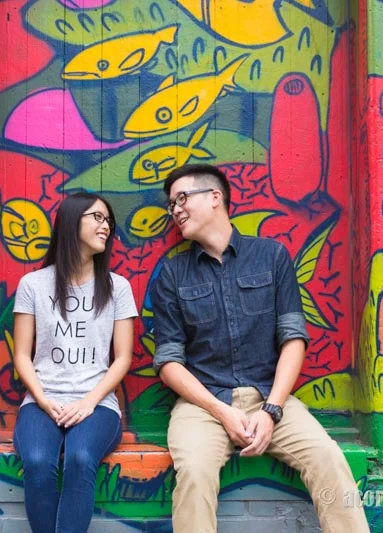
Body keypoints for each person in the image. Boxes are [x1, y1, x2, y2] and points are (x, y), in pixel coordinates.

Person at [151, 164, 370, 532]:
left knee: (328, 458)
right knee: (194, 472)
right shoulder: (174, 273)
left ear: (215, 197)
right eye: (171, 204)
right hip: (203, 405)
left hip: (270, 396)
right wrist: (221, 411)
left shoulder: (271, 256)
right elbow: (169, 361)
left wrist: (271, 410)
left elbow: (293, 338)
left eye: (182, 198)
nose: (176, 210)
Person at [12, 192, 138, 533]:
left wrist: (89, 402)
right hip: (43, 400)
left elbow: (123, 357)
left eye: (108, 220)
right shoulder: (33, 285)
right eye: (97, 217)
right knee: (38, 461)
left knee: (81, 459)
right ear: (71, 221)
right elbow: (22, 354)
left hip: (97, 404)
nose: (105, 226)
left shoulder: (117, 287)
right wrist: (42, 400)